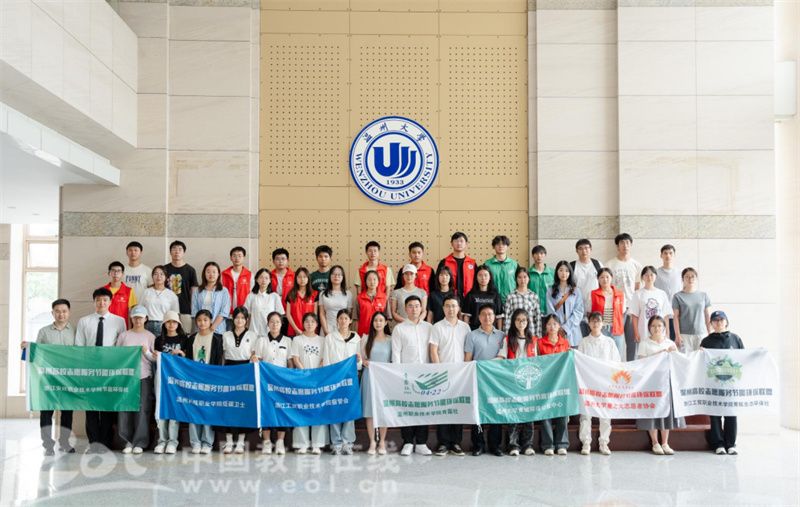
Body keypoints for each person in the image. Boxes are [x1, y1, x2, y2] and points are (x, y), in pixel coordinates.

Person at [75, 287, 127, 453]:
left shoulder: (119, 321)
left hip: (110, 370)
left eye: (105, 300)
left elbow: (122, 346)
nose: (101, 303)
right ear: (94, 302)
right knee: (91, 409)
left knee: (106, 408)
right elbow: (79, 346)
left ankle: (105, 443)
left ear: (110, 302)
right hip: (90, 370)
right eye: (98, 300)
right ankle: (93, 443)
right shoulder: (84, 321)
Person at [23, 299, 75, 455]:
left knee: (67, 412)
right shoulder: (44, 331)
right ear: (52, 313)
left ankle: (64, 442)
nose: (61, 314)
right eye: (57, 311)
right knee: (46, 412)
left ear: (69, 313)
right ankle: (48, 445)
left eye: (64, 311)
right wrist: (27, 347)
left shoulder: (75, 331)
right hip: (48, 378)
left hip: (68, 378)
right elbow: (36, 352)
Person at [391, 296, 434, 456]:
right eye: (410, 306)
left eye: (417, 306)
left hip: (425, 375)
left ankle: (421, 442)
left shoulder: (429, 327)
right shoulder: (399, 329)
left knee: (423, 409)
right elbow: (396, 353)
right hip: (407, 375)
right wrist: (397, 374)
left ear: (421, 308)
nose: (414, 309)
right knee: (407, 409)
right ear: (405, 309)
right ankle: (408, 442)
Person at [636, 316, 684, 455]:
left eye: (659, 326)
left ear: (664, 328)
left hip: (666, 382)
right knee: (652, 413)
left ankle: (665, 442)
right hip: (650, 382)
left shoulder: (670, 343)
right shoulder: (645, 343)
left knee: (666, 412)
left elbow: (678, 363)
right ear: (649, 328)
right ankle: (655, 442)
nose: (656, 328)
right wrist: (660, 354)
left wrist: (674, 353)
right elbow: (641, 363)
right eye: (653, 326)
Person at [429, 295, 470, 457]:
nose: (451, 309)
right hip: (443, 374)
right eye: (448, 306)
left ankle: (456, 443)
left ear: (459, 308)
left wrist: (465, 370)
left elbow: (468, 350)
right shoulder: (437, 327)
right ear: (443, 308)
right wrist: (440, 371)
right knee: (443, 408)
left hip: (460, 374)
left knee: (457, 407)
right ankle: (443, 443)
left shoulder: (465, 327)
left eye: (454, 306)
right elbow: (433, 350)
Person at [701, 310, 744, 455]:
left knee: (731, 414)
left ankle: (731, 444)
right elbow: (701, 363)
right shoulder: (706, 341)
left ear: (726, 322)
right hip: (713, 383)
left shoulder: (735, 339)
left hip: (731, 384)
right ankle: (718, 444)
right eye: (715, 320)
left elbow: (743, 359)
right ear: (711, 324)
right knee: (715, 415)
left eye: (721, 319)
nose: (718, 322)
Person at [465, 305, 506, 456]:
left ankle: (495, 445)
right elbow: (468, 359)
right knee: (478, 411)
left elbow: (503, 357)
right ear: (479, 317)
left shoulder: (501, 335)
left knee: (496, 411)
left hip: (496, 379)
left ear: (494, 317)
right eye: (483, 314)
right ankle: (478, 445)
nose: (487, 317)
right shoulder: (472, 335)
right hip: (478, 378)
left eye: (490, 314)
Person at [578, 312, 621, 456]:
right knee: (586, 414)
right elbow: (580, 363)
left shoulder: (609, 342)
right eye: (593, 321)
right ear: (589, 324)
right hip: (587, 384)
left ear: (602, 324)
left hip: (605, 384)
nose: (595, 324)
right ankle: (586, 442)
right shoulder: (584, 342)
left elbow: (616, 363)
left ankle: (604, 442)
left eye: (598, 321)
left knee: (605, 414)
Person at [116, 305, 156, 454]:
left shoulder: (150, 336)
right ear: (131, 318)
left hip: (143, 376)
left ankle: (140, 442)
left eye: (141, 318)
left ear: (146, 319)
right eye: (135, 317)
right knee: (124, 409)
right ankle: (126, 441)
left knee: (143, 409)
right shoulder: (124, 336)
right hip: (126, 377)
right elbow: (117, 356)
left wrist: (146, 352)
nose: (138, 320)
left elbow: (154, 359)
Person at [322, 309, 362, 455]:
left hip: (350, 380)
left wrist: (358, 361)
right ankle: (336, 443)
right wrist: (328, 378)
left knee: (349, 410)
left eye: (346, 318)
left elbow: (359, 363)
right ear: (337, 321)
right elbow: (327, 360)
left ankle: (348, 442)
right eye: (341, 318)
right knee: (335, 408)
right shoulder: (330, 338)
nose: (343, 321)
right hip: (334, 379)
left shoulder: (356, 338)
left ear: (350, 321)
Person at [186, 309, 224, 454]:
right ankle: (195, 442)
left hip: (210, 379)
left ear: (210, 321)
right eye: (199, 320)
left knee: (208, 410)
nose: (202, 323)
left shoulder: (217, 338)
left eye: (205, 320)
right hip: (194, 379)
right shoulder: (191, 338)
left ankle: (207, 442)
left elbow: (219, 360)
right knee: (194, 410)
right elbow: (188, 360)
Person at [253, 312, 292, 455]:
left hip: (282, 382)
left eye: (277, 322)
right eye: (272, 322)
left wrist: (289, 379)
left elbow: (290, 363)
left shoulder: (287, 341)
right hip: (266, 382)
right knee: (266, 410)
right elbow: (257, 360)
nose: (275, 325)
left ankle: (280, 442)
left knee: (282, 410)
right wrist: (254, 359)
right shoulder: (262, 340)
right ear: (268, 324)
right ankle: (267, 442)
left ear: (281, 324)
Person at [221, 306, 258, 454]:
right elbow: (223, 356)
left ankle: (241, 442)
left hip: (245, 371)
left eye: (243, 318)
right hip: (229, 371)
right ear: (233, 319)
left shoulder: (253, 335)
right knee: (229, 406)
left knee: (243, 406)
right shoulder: (226, 335)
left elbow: (254, 355)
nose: (240, 320)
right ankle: (229, 441)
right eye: (237, 317)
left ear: (247, 320)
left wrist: (253, 358)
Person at [153, 311, 191, 454]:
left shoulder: (184, 339)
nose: (171, 324)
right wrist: (153, 355)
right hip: (162, 377)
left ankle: (172, 442)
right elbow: (155, 359)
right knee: (161, 407)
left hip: (177, 378)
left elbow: (188, 359)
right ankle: (162, 441)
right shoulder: (159, 340)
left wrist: (181, 353)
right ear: (164, 324)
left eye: (174, 322)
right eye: (168, 322)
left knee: (174, 407)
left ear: (178, 324)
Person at [291, 312, 327, 455]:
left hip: (318, 380)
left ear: (317, 324)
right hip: (301, 379)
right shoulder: (297, 339)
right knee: (301, 410)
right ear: (303, 323)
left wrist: (315, 374)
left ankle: (317, 444)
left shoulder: (322, 340)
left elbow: (324, 359)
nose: (309, 324)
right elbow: (295, 358)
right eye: (307, 321)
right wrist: (305, 373)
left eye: (312, 321)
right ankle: (302, 444)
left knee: (318, 410)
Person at [502, 308, 537, 457]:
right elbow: (502, 357)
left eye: (524, 320)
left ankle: (528, 444)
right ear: (513, 322)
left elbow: (538, 360)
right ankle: (513, 445)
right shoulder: (508, 339)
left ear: (527, 322)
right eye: (518, 320)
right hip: (513, 382)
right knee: (514, 414)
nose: (521, 323)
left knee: (529, 414)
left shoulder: (533, 340)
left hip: (529, 382)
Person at [605, 233, 643, 361]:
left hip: (632, 308)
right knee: (616, 340)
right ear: (617, 246)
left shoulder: (637, 265)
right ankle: (616, 367)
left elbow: (637, 288)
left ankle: (631, 367)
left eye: (627, 243)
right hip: (615, 308)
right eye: (622, 243)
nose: (625, 245)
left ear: (631, 245)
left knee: (633, 340)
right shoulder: (609, 264)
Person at [538, 314, 571, 456]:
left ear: (559, 326)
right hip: (545, 384)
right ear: (545, 326)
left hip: (561, 383)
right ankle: (548, 445)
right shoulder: (539, 343)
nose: (552, 327)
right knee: (545, 413)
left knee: (562, 412)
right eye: (549, 324)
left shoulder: (565, 343)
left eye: (555, 324)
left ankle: (562, 444)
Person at [360, 312, 392, 455]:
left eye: (381, 320)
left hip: (385, 378)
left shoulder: (391, 340)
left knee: (384, 410)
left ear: (385, 323)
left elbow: (393, 359)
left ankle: (382, 442)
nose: (378, 323)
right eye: (375, 320)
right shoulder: (366, 339)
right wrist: (363, 362)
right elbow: (361, 358)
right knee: (369, 411)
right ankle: (372, 442)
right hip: (369, 376)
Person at [628, 266, 673, 358]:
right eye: (646, 275)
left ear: (655, 276)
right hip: (643, 330)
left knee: (661, 355)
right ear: (642, 277)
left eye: (651, 275)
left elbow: (665, 315)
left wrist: (667, 332)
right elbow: (635, 315)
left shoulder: (662, 293)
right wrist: (636, 332)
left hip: (659, 330)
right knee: (644, 356)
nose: (649, 277)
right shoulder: (638, 294)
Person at [672, 267, 712, 353]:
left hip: (701, 334)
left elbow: (707, 315)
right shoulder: (677, 296)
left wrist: (710, 333)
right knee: (686, 359)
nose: (690, 279)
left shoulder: (703, 295)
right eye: (687, 276)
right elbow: (675, 317)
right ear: (682, 279)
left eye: (692, 276)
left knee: (701, 358)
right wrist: (677, 335)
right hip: (684, 335)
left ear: (696, 278)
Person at [163, 240, 199, 332]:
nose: (177, 251)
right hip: (167, 308)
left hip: (185, 309)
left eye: (180, 249)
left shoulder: (190, 270)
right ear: (170, 252)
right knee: (168, 334)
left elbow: (194, 292)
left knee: (185, 334)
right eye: (174, 249)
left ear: (184, 252)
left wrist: (193, 309)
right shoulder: (164, 269)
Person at [547, 261, 584, 347]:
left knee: (573, 353)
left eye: (567, 271)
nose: (564, 273)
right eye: (561, 270)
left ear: (570, 273)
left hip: (573, 332)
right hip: (556, 331)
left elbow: (578, 311)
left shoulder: (576, 291)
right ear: (557, 272)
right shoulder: (550, 290)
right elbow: (550, 310)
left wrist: (565, 328)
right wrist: (558, 327)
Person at [591, 268, 626, 359]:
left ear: (611, 278)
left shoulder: (620, 294)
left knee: (617, 356)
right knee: (603, 356)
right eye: (602, 277)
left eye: (607, 277)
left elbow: (622, 311)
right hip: (601, 329)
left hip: (616, 329)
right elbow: (589, 312)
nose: (605, 279)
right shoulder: (593, 294)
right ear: (598, 279)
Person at [570, 239, 603, 336]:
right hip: (577, 308)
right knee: (580, 337)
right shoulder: (572, 266)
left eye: (586, 248)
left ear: (590, 249)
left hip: (595, 307)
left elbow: (604, 284)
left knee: (595, 336)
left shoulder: (597, 264)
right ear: (576, 251)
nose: (584, 251)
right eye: (580, 248)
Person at [191, 261, 231, 335]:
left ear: (218, 274)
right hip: (201, 329)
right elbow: (194, 311)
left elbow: (224, 312)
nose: (211, 274)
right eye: (208, 272)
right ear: (204, 274)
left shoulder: (224, 291)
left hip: (218, 329)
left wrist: (212, 327)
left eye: (214, 272)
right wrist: (202, 327)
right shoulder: (197, 291)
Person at [138, 265, 179, 336]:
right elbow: (140, 310)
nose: (158, 276)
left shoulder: (171, 295)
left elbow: (175, 314)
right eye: (156, 274)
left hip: (164, 325)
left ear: (166, 277)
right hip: (147, 324)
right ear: (152, 277)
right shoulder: (146, 292)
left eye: (161, 274)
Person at [244, 268, 284, 338]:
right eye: (261, 277)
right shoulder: (251, 296)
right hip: (253, 333)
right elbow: (247, 315)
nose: (264, 280)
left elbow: (279, 317)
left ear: (270, 280)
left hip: (270, 334)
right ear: (256, 279)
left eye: (266, 278)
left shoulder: (274, 296)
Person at [436, 232, 476, 298]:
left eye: (461, 241)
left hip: (469, 298)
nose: (459, 243)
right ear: (451, 243)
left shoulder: (472, 263)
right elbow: (437, 281)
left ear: (466, 244)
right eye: (456, 241)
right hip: (449, 298)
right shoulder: (444, 262)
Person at [462, 265, 504, 331]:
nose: (483, 278)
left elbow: (499, 317)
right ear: (476, 277)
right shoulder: (470, 295)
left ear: (490, 277)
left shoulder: (495, 295)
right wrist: (466, 332)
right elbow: (466, 316)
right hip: (475, 330)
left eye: (485, 275)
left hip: (491, 331)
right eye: (480, 275)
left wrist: (499, 331)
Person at [503, 267, 541, 337]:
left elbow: (537, 317)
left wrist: (538, 336)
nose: (522, 280)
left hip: (530, 332)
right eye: (519, 277)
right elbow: (506, 317)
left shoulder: (534, 296)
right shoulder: (511, 296)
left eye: (525, 277)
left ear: (529, 278)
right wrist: (506, 335)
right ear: (516, 279)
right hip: (514, 334)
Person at [654, 244, 682, 341]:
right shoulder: (655, 273)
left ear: (674, 255)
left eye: (670, 253)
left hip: (676, 315)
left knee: (676, 342)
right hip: (661, 314)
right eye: (665, 253)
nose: (668, 256)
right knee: (662, 341)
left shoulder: (680, 273)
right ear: (661, 255)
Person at [221, 246, 252, 331]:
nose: (237, 258)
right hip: (227, 313)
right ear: (231, 258)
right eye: (234, 255)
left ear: (244, 257)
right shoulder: (224, 274)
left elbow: (252, 295)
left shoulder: (250, 275)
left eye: (239, 256)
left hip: (243, 314)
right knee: (228, 334)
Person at [318, 265, 354, 336]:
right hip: (327, 327)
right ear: (330, 276)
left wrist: (345, 329)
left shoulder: (348, 294)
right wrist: (326, 331)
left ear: (343, 277)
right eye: (334, 274)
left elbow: (349, 314)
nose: (336, 276)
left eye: (339, 274)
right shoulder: (323, 294)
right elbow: (322, 314)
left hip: (343, 328)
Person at [484, 235, 518, 303]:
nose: (501, 246)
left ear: (507, 246)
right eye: (498, 244)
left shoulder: (514, 264)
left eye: (503, 244)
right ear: (493, 246)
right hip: (492, 300)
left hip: (511, 300)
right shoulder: (487, 264)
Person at [354, 270, 388, 337]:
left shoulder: (384, 298)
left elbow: (387, 318)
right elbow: (355, 319)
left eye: (374, 279)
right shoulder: (359, 298)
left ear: (378, 281)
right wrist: (356, 336)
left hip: (379, 334)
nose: (372, 282)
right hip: (363, 334)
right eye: (369, 279)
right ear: (365, 282)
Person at [285, 267, 317, 337]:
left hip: (310, 331)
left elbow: (315, 315)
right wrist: (296, 330)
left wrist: (309, 330)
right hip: (293, 331)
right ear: (296, 279)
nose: (302, 279)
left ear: (308, 278)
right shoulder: (290, 294)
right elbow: (288, 314)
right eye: (299, 277)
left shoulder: (314, 294)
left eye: (304, 277)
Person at [104, 261, 137, 325]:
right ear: (109, 273)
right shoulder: (103, 290)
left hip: (122, 326)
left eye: (118, 271)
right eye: (113, 270)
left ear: (123, 274)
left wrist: (129, 330)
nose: (116, 273)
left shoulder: (129, 291)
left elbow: (130, 313)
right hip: (106, 325)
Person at [527, 245, 554, 321]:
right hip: (532, 311)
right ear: (533, 256)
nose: (539, 256)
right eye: (536, 254)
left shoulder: (552, 272)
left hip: (549, 311)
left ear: (545, 255)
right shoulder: (528, 273)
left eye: (541, 253)